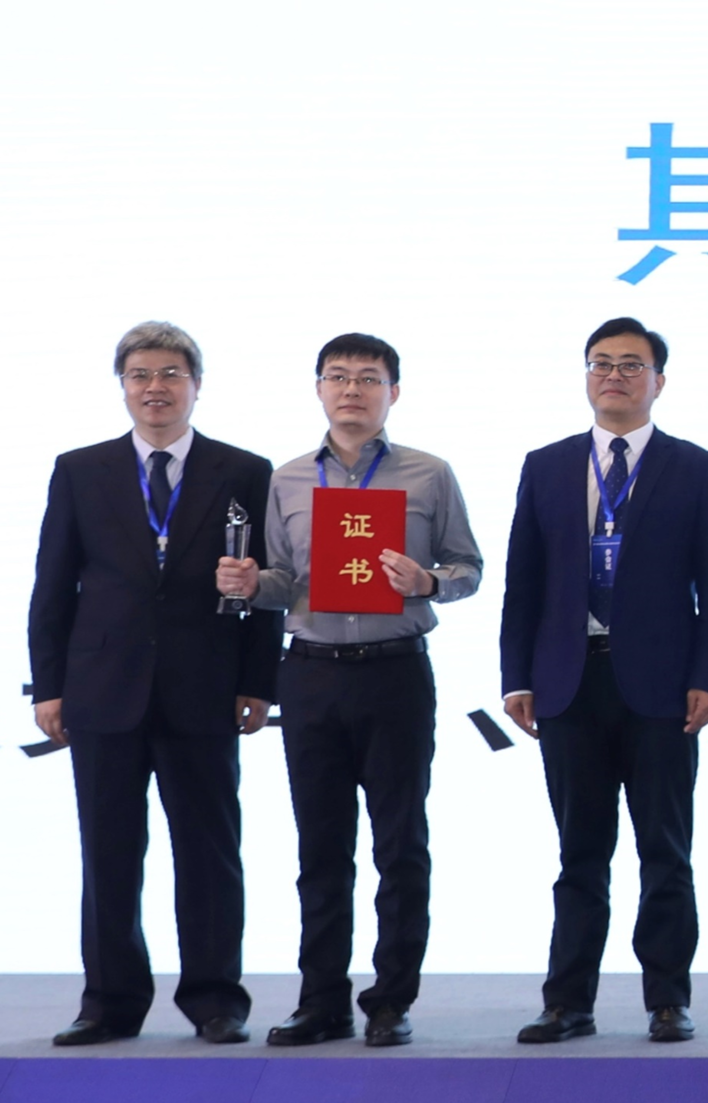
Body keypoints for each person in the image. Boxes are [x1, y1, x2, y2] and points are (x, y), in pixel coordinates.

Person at [31, 321, 280, 1046]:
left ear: (196, 384)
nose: (155, 388)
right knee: (109, 852)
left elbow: (265, 583)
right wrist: (49, 686)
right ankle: (108, 1002)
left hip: (206, 686)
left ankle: (215, 999)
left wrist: (258, 680)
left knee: (209, 851)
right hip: (102, 688)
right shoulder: (80, 469)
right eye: (140, 374)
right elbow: (53, 586)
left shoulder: (244, 469)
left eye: (171, 373)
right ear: (122, 386)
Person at [235, 333, 482, 1048]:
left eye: (368, 378)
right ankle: (321, 1000)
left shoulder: (429, 474)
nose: (352, 389)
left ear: (392, 392)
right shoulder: (286, 479)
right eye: (338, 376)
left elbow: (468, 567)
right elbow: (283, 580)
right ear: (318, 388)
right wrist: (251, 585)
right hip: (311, 671)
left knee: (399, 843)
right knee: (320, 847)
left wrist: (428, 581)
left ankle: (390, 1000)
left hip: (394, 671)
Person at [500, 317, 708, 1045]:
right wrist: (516, 676)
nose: (614, 375)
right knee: (579, 853)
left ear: (658, 381)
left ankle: (667, 998)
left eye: (631, 365)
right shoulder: (546, 465)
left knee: (664, 850)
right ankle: (567, 1001)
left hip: (661, 688)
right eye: (600, 362)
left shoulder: (695, 467)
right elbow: (523, 582)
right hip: (568, 684)